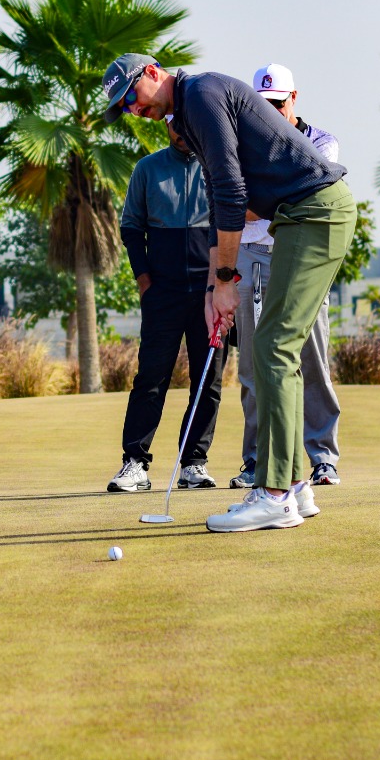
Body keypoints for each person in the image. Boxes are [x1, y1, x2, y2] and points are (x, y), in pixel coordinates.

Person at [104, 53, 354, 532]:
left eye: (131, 96)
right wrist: (213, 287)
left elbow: (231, 191)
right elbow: (227, 201)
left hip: (315, 212)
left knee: (274, 347)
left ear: (153, 73)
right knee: (274, 348)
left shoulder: (200, 95)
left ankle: (274, 495)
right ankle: (294, 487)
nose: (133, 109)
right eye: (124, 108)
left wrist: (223, 279)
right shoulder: (188, 112)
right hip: (297, 217)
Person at [230, 64, 342, 491]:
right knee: (253, 365)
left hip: (303, 260)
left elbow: (302, 199)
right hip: (251, 256)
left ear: (294, 97)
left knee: (312, 360)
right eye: (264, 105)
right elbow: (235, 205)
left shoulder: (323, 142)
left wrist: (260, 201)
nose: (272, 111)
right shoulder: (240, 143)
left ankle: (322, 458)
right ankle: (257, 460)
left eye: (278, 103)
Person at [107, 121, 228, 492]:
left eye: (187, 124)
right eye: (174, 124)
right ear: (166, 125)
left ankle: (194, 463)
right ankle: (134, 463)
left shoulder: (218, 167)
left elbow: (232, 226)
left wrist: (223, 285)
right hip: (162, 292)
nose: (181, 131)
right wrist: (145, 281)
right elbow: (131, 227)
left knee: (208, 379)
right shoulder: (148, 168)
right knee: (151, 378)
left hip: (210, 292)